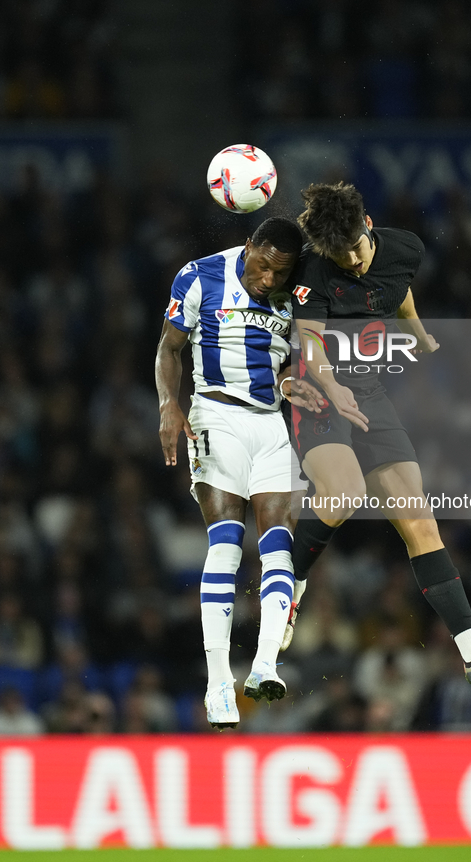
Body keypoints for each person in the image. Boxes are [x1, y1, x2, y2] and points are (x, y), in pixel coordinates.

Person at [284, 182, 471, 688]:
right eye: (342, 259)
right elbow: (311, 340)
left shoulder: (406, 247)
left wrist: (419, 334)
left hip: (368, 389)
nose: (354, 265)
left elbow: (396, 287)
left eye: (356, 252)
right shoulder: (315, 270)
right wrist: (333, 386)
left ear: (370, 228)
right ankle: (287, 585)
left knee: (422, 523)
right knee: (343, 494)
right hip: (315, 388)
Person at [156, 217, 322, 730]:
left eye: (280, 271)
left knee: (279, 545)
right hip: (215, 414)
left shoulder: (297, 292)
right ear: (248, 247)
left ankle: (266, 665)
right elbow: (170, 347)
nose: (268, 279)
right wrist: (168, 404)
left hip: (271, 423)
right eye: (262, 265)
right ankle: (218, 684)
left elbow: (296, 359)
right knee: (226, 544)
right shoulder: (199, 276)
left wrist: (294, 382)